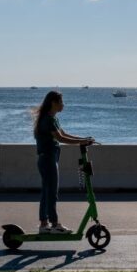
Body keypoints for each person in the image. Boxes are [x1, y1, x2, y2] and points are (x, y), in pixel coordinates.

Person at [34, 91, 94, 233]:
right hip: (48, 159)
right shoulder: (48, 120)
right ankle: (54, 224)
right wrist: (82, 142)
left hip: (49, 158)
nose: (63, 105)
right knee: (51, 192)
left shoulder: (52, 118)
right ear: (53, 103)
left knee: (47, 192)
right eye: (61, 102)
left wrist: (83, 139)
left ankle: (44, 224)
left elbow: (64, 134)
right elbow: (60, 138)